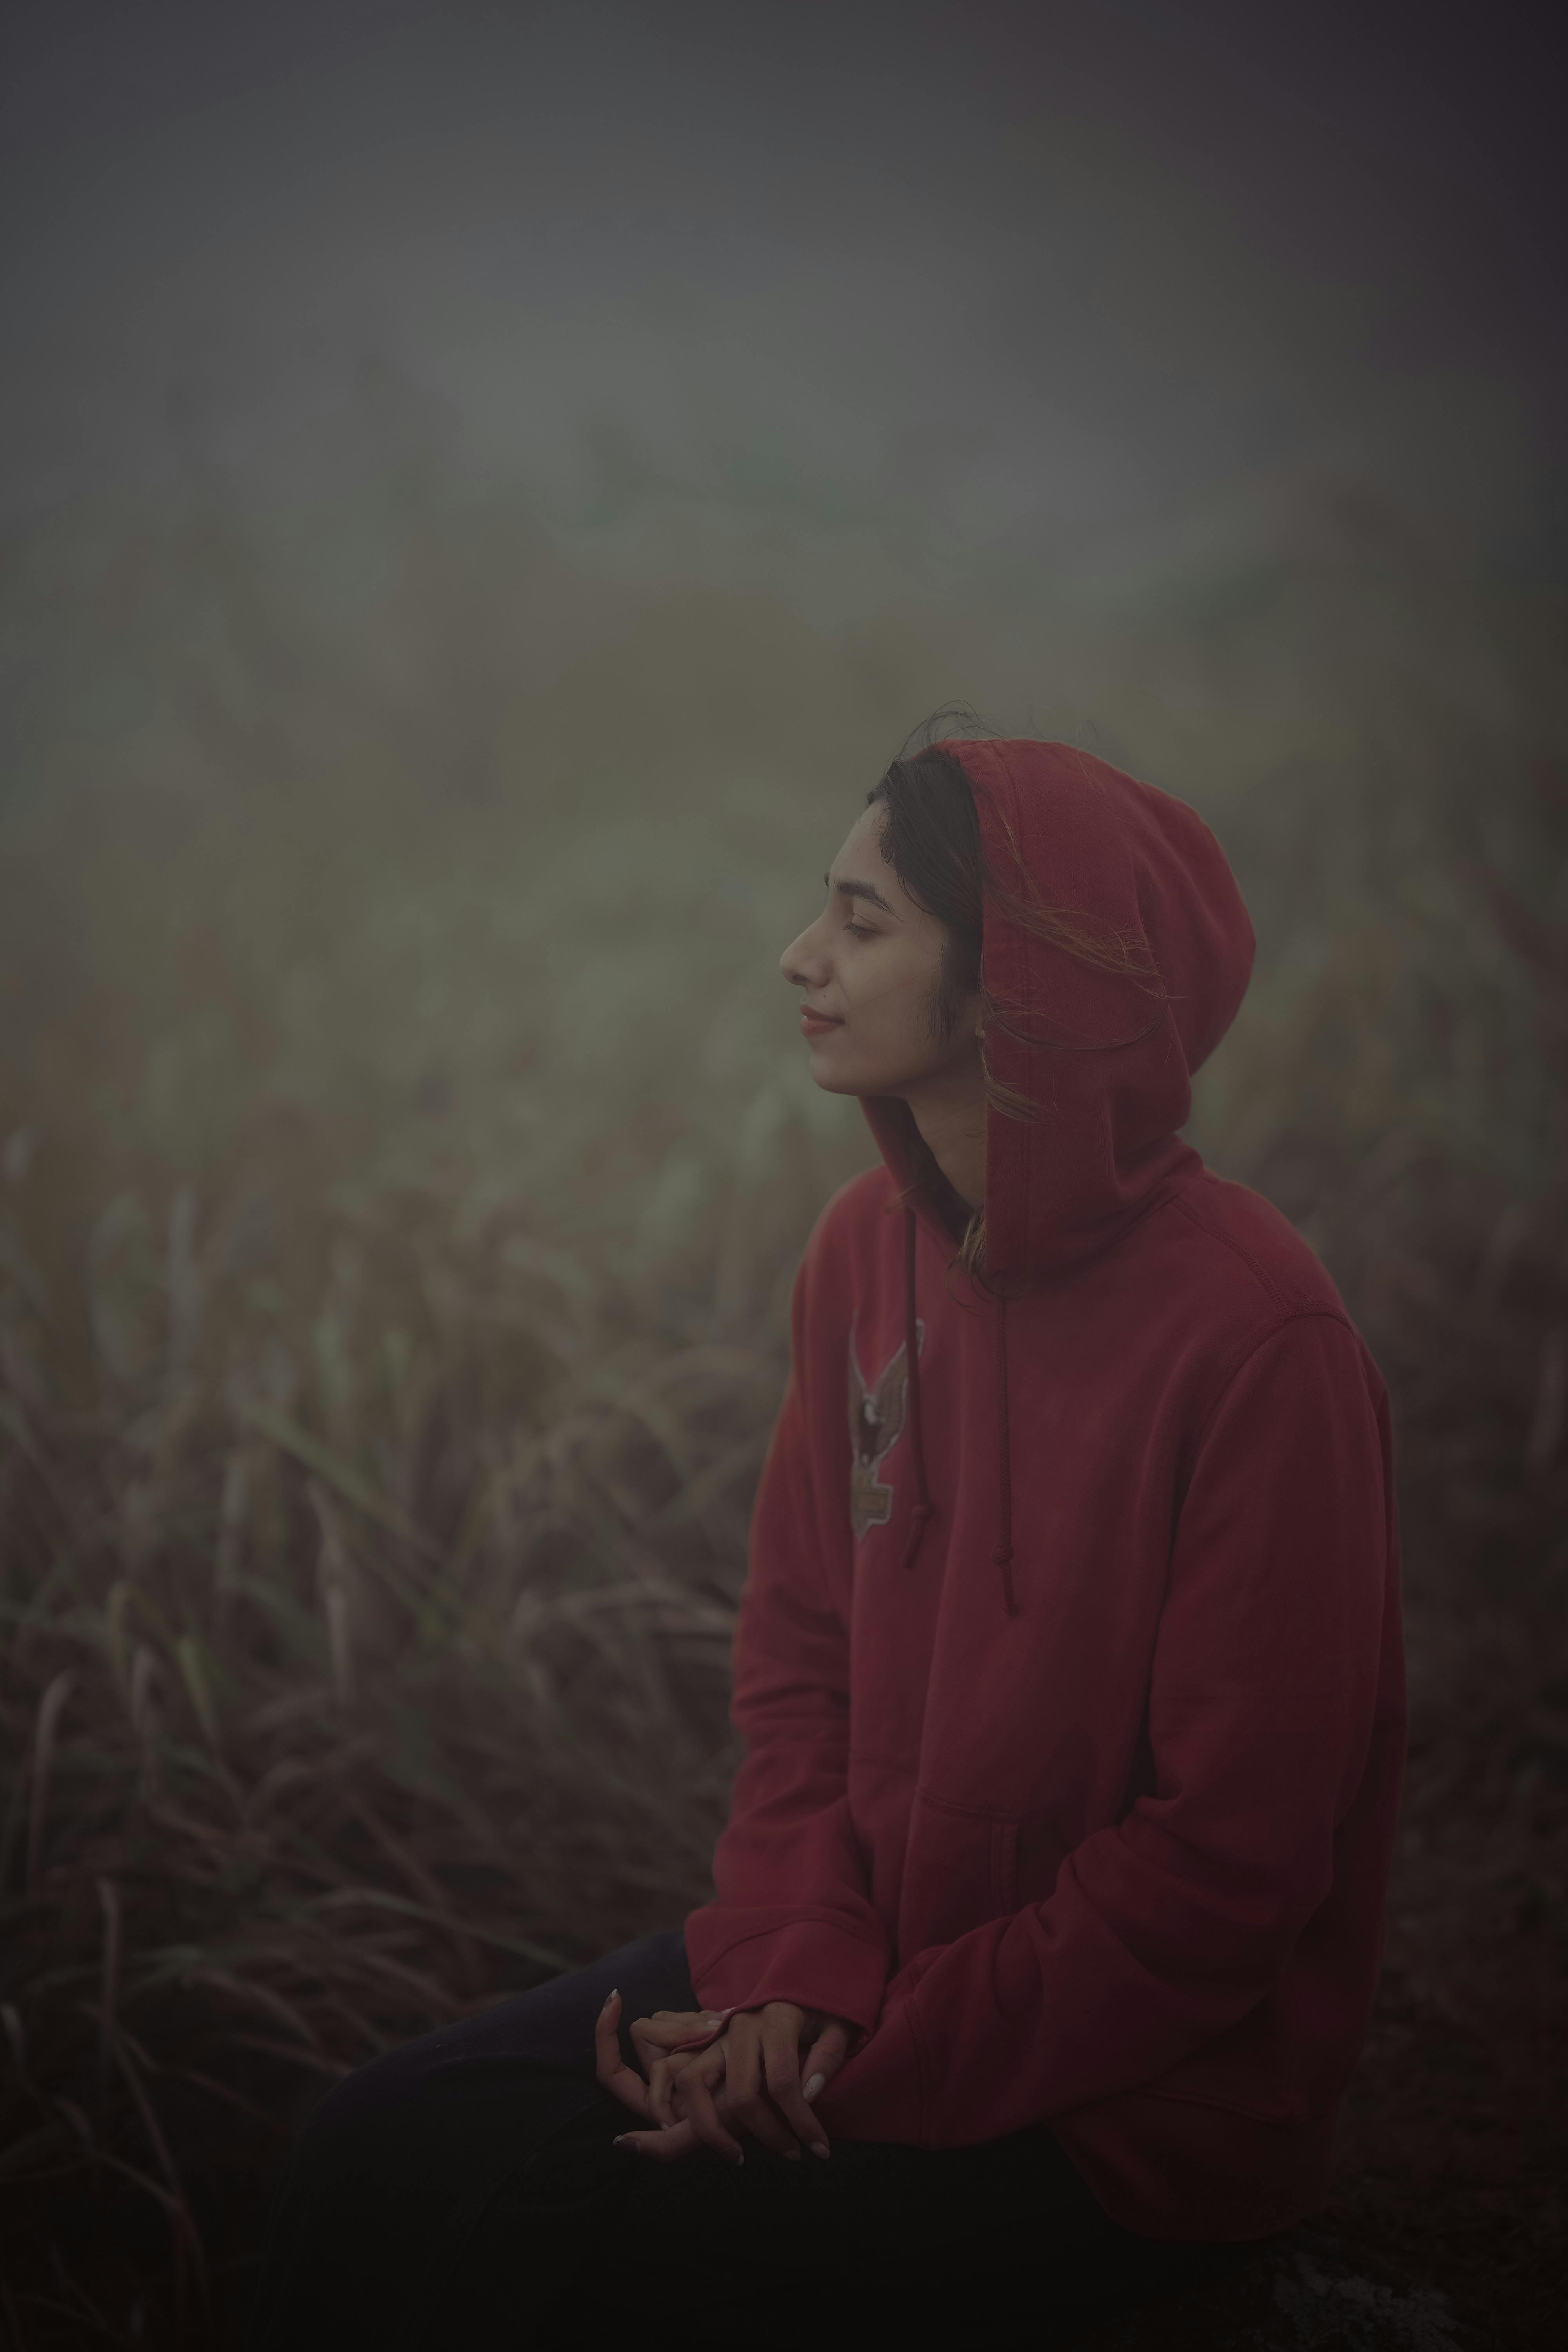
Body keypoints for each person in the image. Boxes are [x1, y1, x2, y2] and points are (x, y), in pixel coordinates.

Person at [247, 722, 1406, 2350]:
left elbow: (1225, 1869)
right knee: (375, 2150)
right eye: (825, 909)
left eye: (863, 924)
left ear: (1016, 989)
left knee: (563, 2251)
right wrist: (793, 1973)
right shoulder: (862, 1251)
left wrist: (858, 2058)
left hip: (1130, 2112)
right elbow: (797, 1672)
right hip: (847, 1965)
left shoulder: (1260, 1339)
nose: (801, 957)